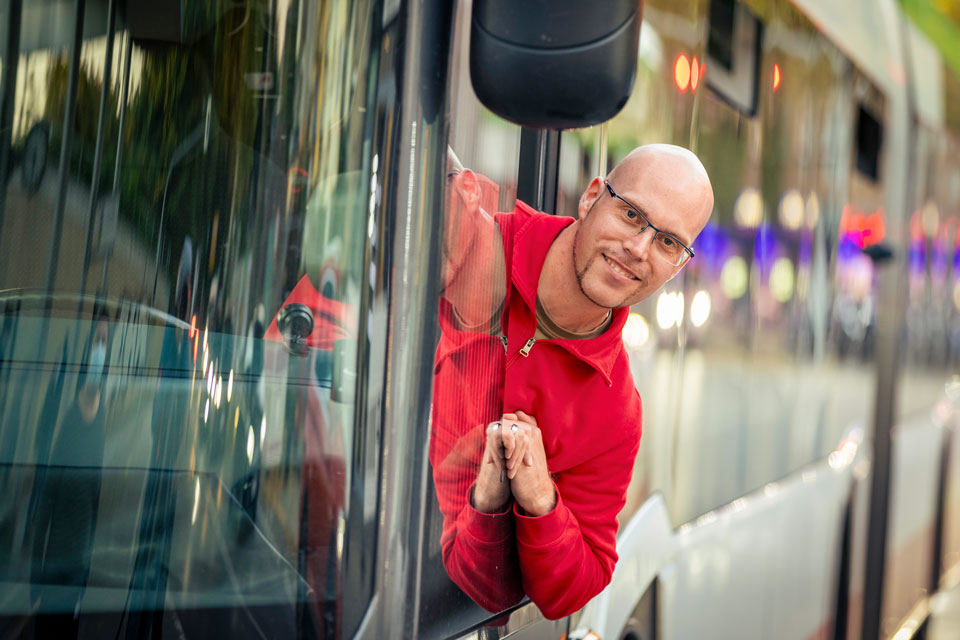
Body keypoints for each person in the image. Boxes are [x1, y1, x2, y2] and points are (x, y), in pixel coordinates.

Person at [429, 144, 714, 619]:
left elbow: (570, 590)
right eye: (631, 214)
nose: (638, 250)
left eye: (668, 243)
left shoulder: (616, 412)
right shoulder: (477, 240)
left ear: (678, 266)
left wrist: (537, 499)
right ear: (590, 197)